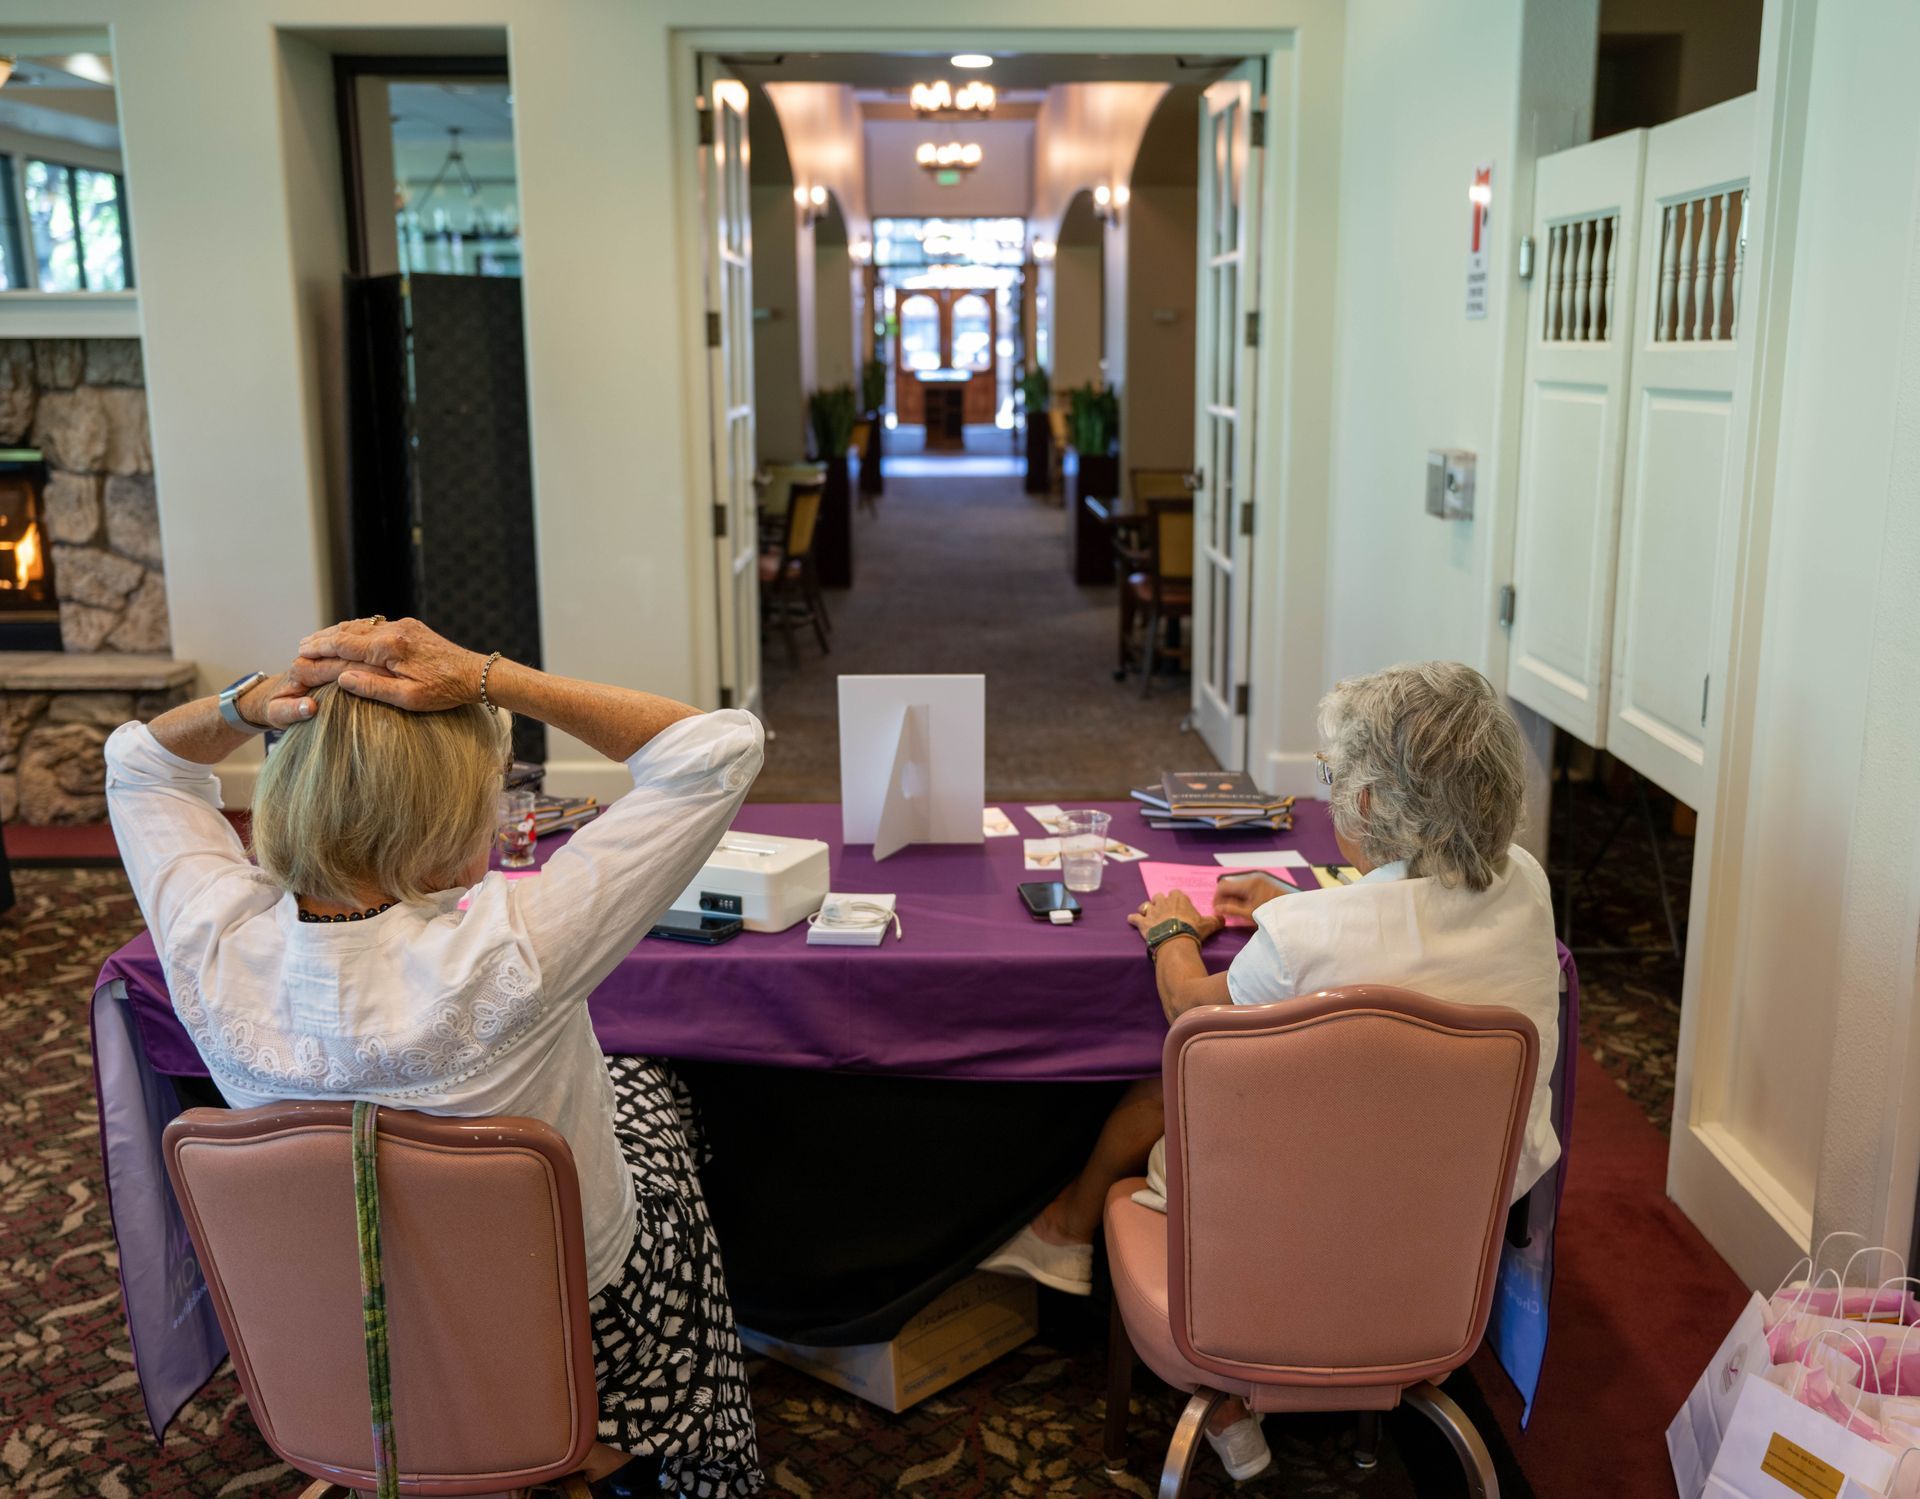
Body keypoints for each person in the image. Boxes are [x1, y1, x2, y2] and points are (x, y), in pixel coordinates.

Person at [104, 617, 765, 1497]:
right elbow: (718, 745)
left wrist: (250, 702)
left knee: (633, 1096)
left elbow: (139, 763)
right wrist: (489, 678)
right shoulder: (513, 947)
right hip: (557, 1319)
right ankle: (661, 1438)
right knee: (654, 1102)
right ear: (452, 811)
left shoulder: (208, 943)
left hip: (325, 1319)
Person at [982, 661, 1561, 1482]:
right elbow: (1416, 919)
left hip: (1276, 1242)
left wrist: (1171, 931)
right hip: (1443, 1240)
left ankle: (1216, 1380)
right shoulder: (1530, 887)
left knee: (1163, 1096)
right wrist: (1304, 898)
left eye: (1332, 779)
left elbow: (1192, 1009)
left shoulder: (1306, 941)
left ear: (1364, 804)